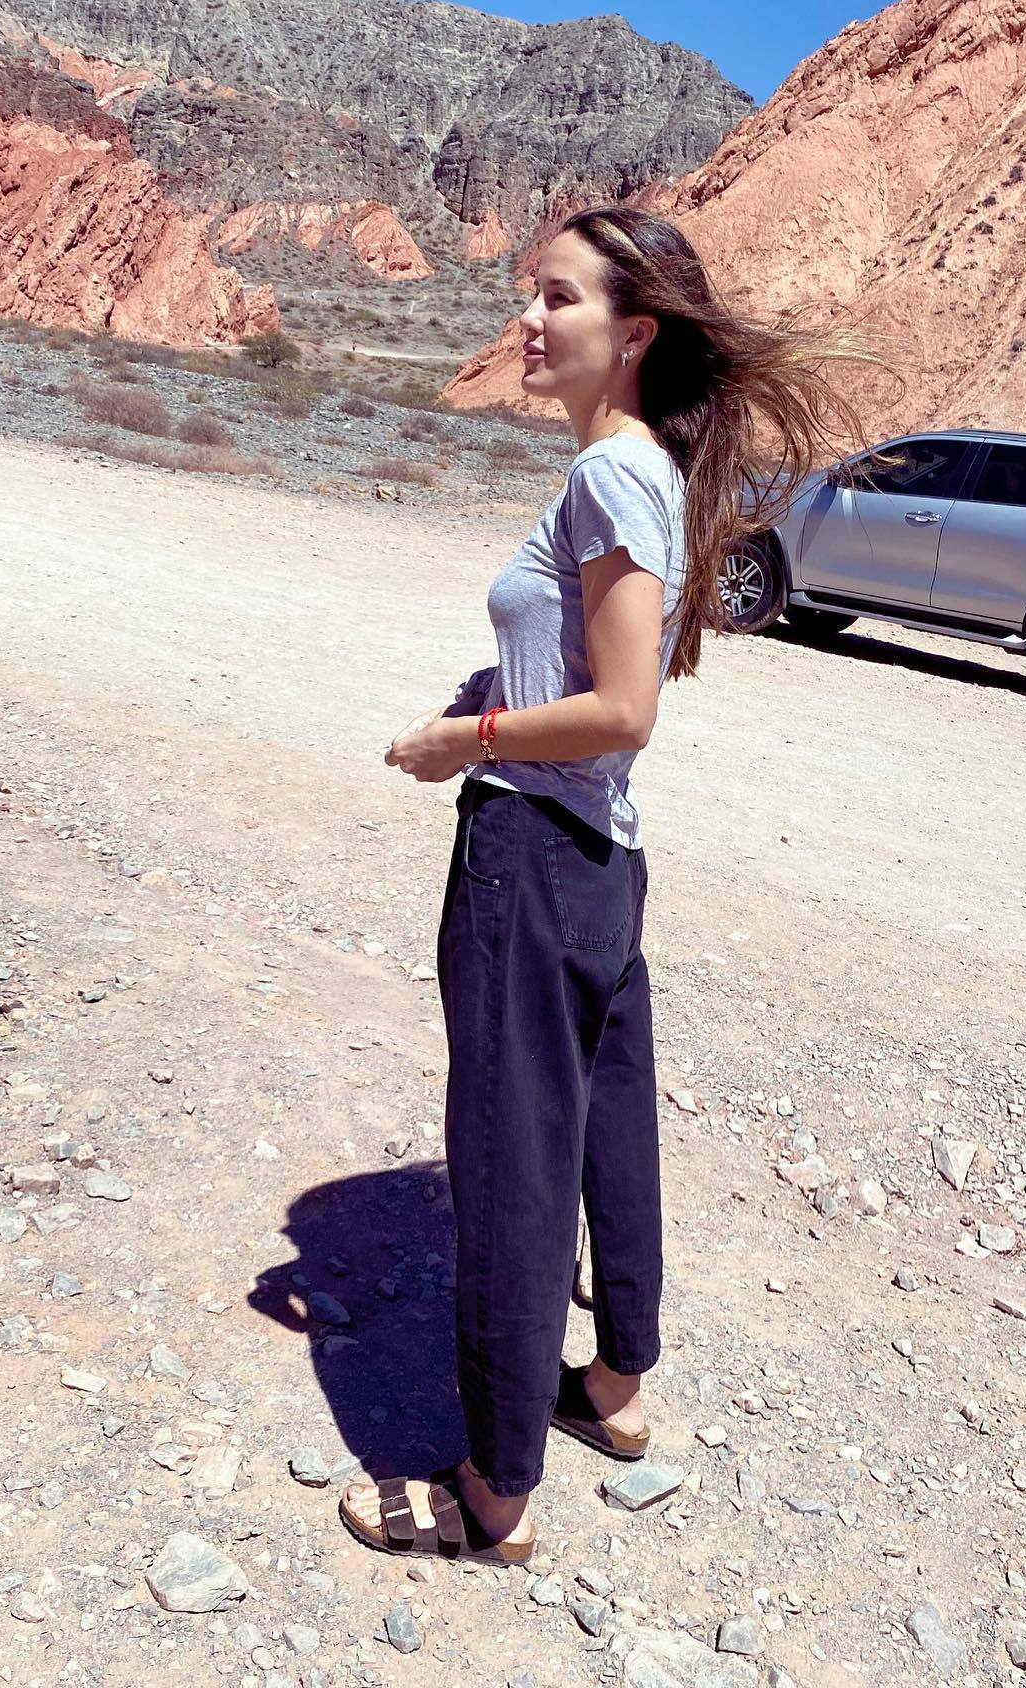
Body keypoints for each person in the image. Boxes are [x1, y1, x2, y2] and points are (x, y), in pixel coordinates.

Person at [340, 205, 886, 1567]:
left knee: (512, 1160)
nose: (531, 320)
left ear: (635, 334)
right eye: (534, 293)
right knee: (603, 1124)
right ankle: (614, 1387)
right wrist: (507, 688)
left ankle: (492, 1491)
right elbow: (592, 680)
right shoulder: (646, 472)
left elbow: (625, 708)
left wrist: (463, 739)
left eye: (561, 298)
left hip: (532, 854)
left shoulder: (608, 477)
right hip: (600, 859)